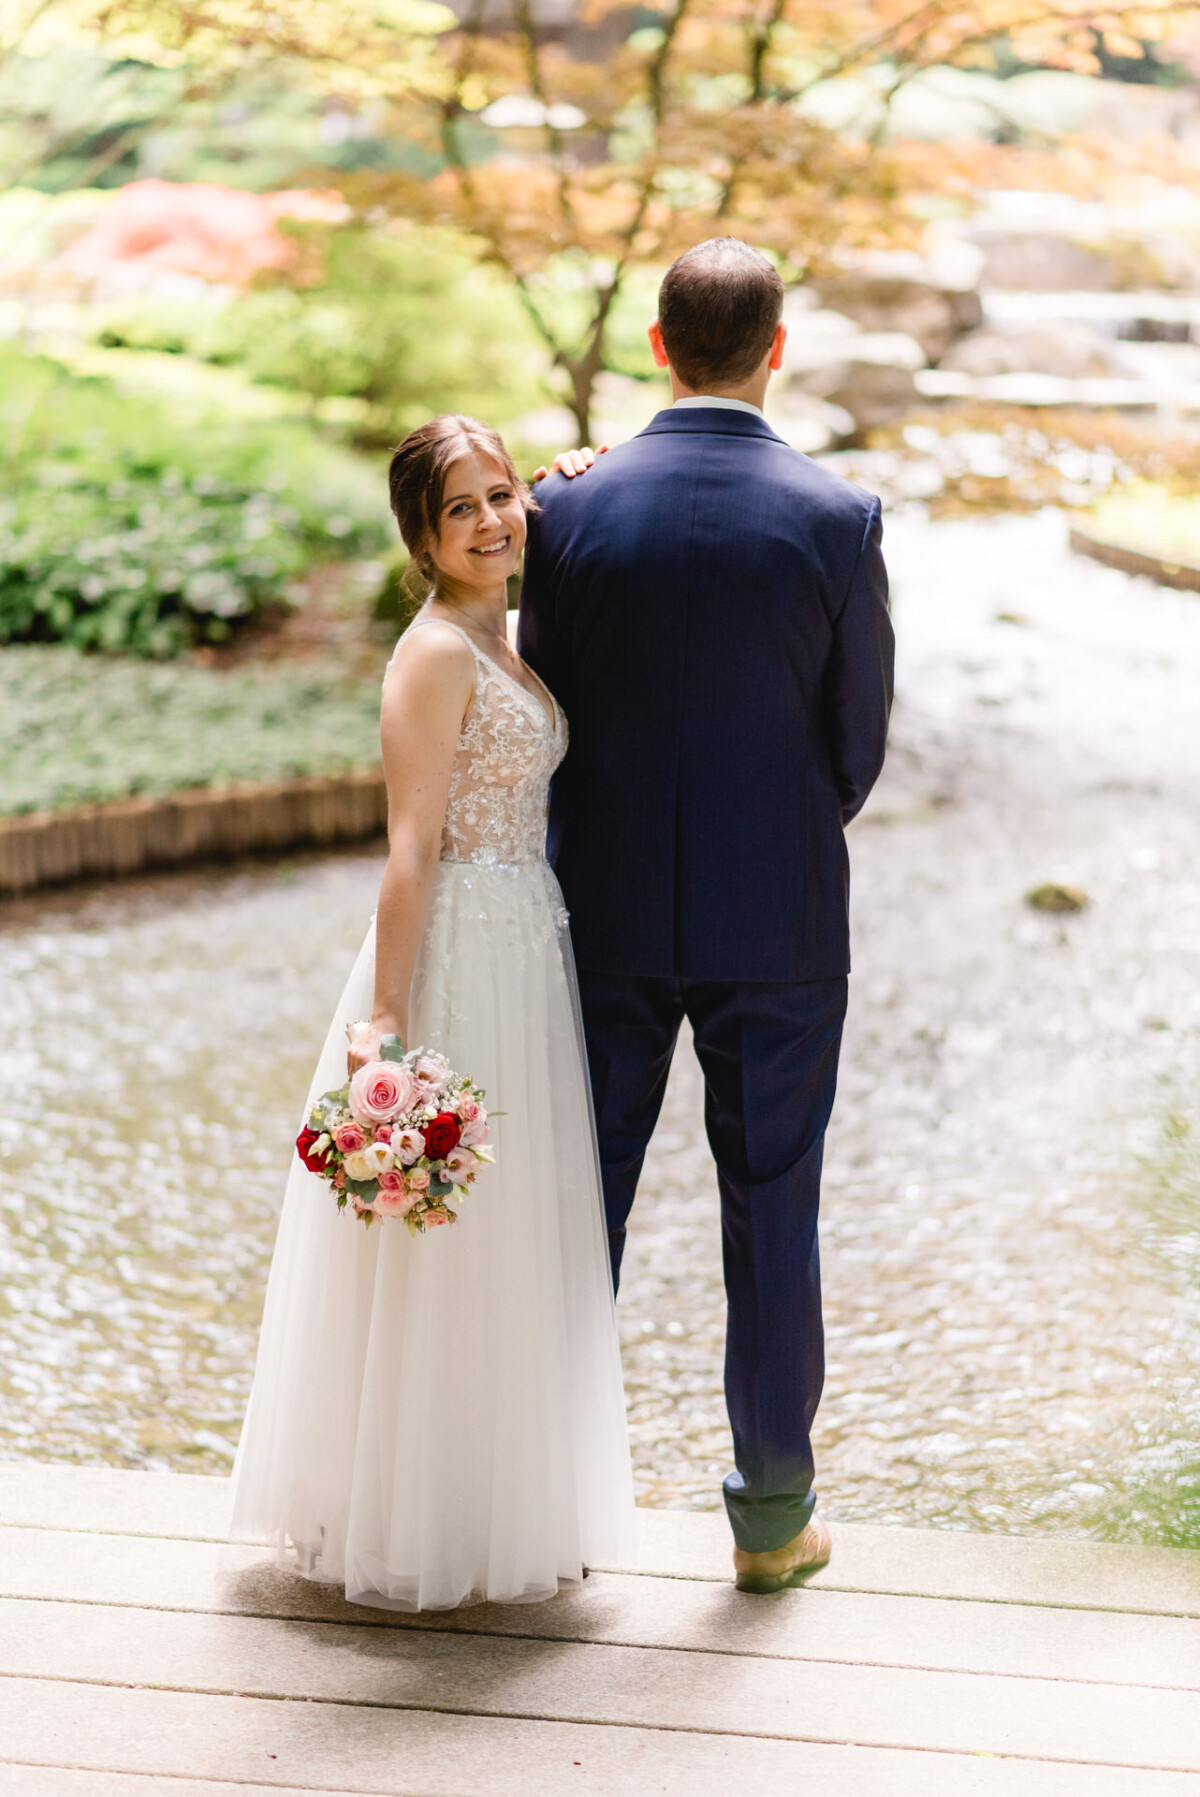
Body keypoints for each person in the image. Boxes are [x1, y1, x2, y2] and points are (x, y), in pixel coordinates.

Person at [519, 237, 895, 1594]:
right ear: (776, 348)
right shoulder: (838, 517)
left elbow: (541, 708)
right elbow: (856, 745)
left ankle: (531, 1506)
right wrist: (775, 832)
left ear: (660, 346)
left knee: (577, 1206)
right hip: (780, 916)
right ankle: (770, 1518)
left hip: (603, 906)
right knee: (772, 1207)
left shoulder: (566, 514)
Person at [230, 415, 635, 1611]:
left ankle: (504, 1500)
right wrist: (382, 1032)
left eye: (502, 497)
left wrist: (576, 466)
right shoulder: (433, 656)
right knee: (444, 1251)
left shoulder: (496, 633)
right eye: (461, 508)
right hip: (456, 948)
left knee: (515, 1239)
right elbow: (408, 853)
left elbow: (552, 498)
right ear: (421, 532)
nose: (494, 521)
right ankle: (421, 1517)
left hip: (526, 946)